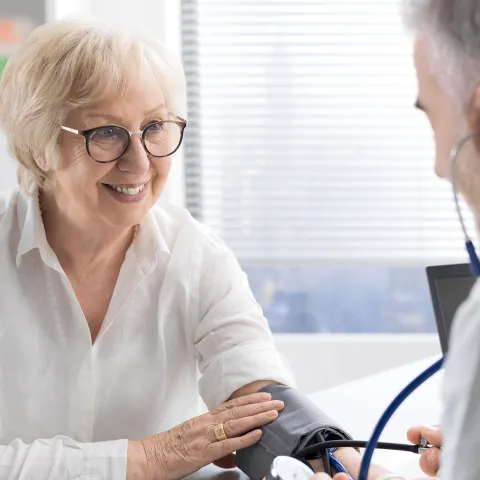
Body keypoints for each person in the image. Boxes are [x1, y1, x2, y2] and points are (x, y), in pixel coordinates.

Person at [0, 19, 408, 480]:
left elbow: (256, 393)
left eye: (155, 126)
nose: (140, 162)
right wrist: (151, 458)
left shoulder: (195, 253)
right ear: (37, 148)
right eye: (107, 133)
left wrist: (346, 465)